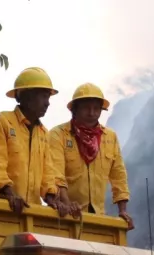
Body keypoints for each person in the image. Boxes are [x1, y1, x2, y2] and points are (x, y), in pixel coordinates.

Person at [45, 84, 133, 229]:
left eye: (96, 108)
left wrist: (123, 210)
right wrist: (66, 203)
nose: (92, 113)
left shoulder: (110, 137)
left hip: (98, 217)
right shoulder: (58, 134)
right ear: (75, 109)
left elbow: (119, 175)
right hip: (65, 216)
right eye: (86, 108)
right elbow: (55, 173)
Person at [0, 67, 57, 214]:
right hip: (2, 207)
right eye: (43, 96)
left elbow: (48, 173)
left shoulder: (44, 133)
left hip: (32, 211)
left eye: (48, 97)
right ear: (24, 96)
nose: (47, 103)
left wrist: (52, 198)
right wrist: (9, 194)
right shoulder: (4, 121)